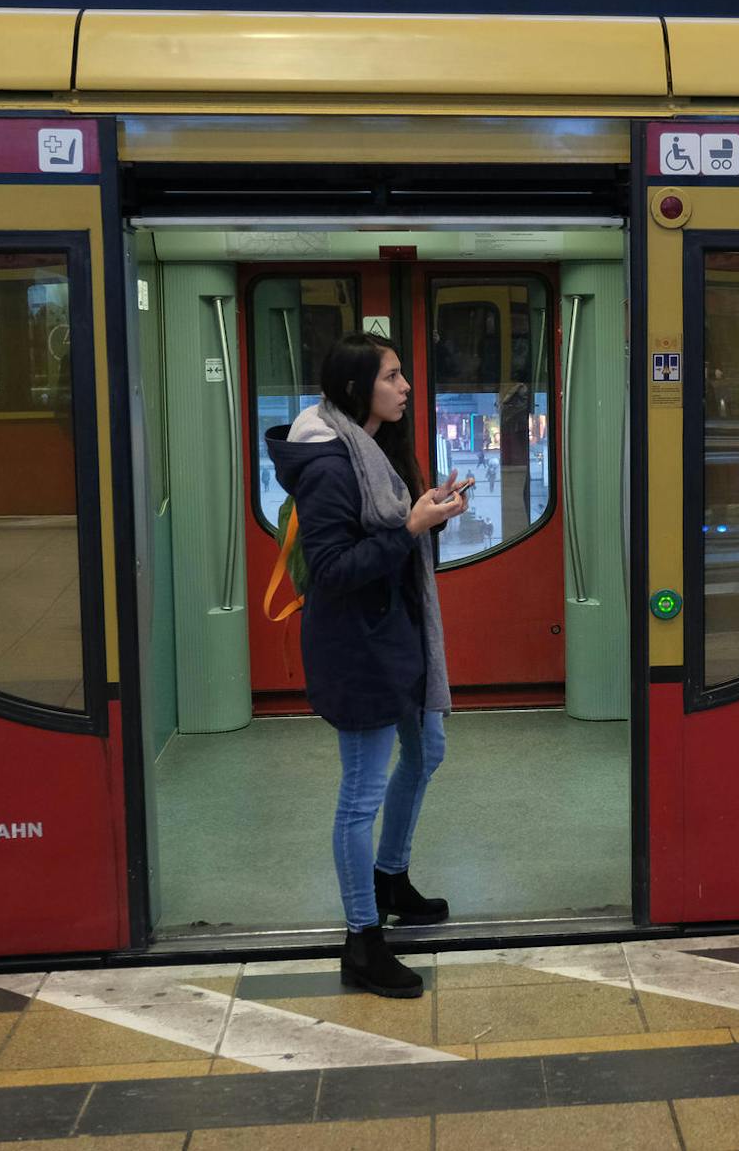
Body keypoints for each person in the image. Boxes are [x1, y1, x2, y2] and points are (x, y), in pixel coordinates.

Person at [264, 332, 472, 999]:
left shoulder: (376, 448)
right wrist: (409, 529)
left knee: (428, 750)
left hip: (399, 638)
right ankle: (362, 938)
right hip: (357, 648)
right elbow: (332, 570)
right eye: (391, 376)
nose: (405, 387)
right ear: (357, 389)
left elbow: (392, 535)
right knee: (360, 795)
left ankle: (391, 878)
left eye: (402, 374)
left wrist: (431, 514)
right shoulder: (329, 466)